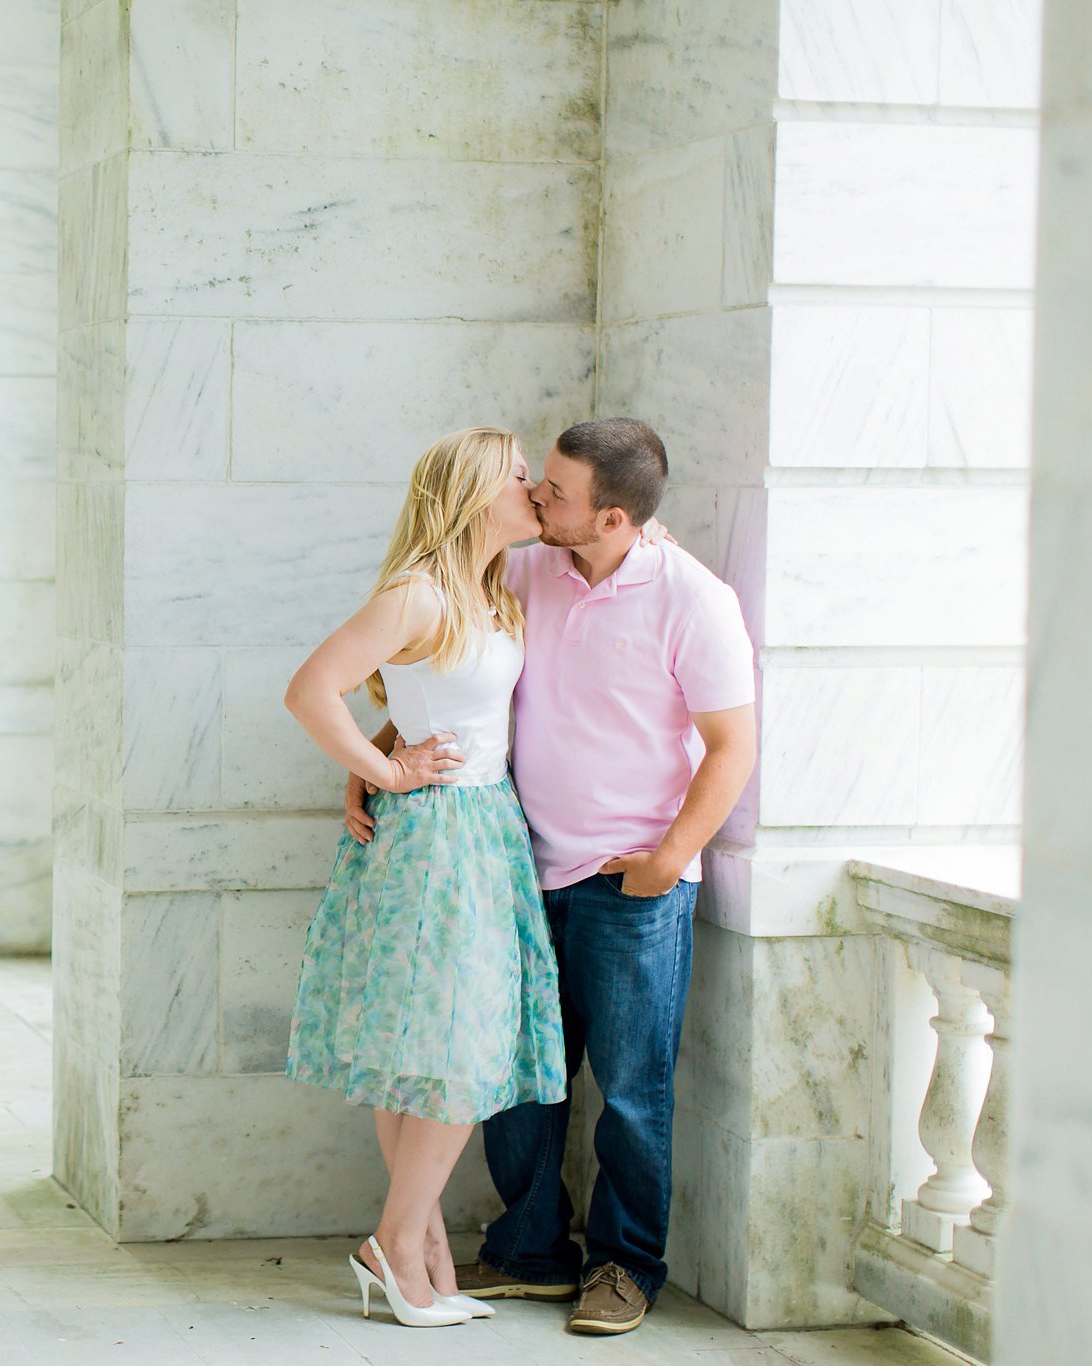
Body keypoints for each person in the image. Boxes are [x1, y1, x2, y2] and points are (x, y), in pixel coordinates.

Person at [386, 418, 757, 1336]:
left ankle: (625, 1268)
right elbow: (444, 665)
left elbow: (731, 745)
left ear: (618, 517)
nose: (537, 499)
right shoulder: (525, 566)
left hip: (630, 881)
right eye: (539, 484)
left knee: (631, 1090)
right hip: (513, 865)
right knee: (515, 1078)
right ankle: (530, 1249)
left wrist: (668, 862)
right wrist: (378, 756)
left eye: (557, 493)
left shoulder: (693, 599)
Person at [282, 426, 568, 1329]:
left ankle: (421, 1245)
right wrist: (382, 766)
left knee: (433, 1048)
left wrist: (653, 542)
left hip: (486, 826)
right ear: (477, 492)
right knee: (452, 1047)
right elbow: (312, 687)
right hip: (437, 835)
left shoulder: (495, 591)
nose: (535, 491)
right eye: (521, 479)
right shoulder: (419, 593)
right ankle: (395, 1244)